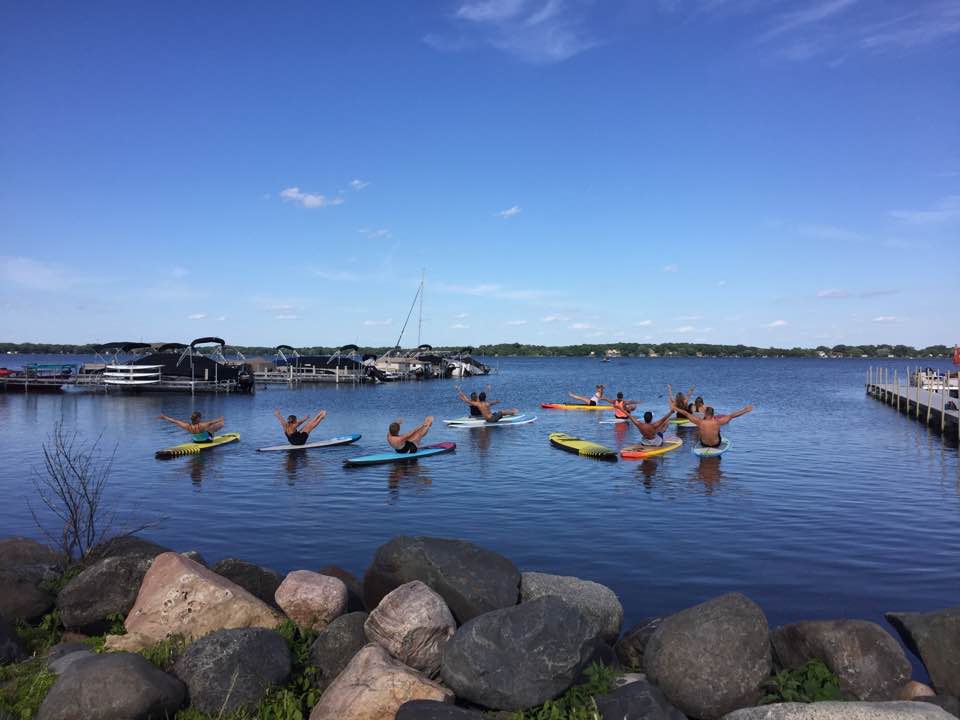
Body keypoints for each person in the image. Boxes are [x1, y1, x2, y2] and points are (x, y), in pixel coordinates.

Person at [671, 400, 753, 448]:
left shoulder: (700, 422)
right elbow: (732, 415)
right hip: (716, 444)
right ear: (713, 414)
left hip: (704, 444)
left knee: (699, 433)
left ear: (705, 414)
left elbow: (686, 413)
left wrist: (675, 408)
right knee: (718, 432)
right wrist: (745, 410)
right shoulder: (718, 422)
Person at [157, 411, 224, 443]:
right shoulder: (202, 425)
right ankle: (221, 425)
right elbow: (212, 422)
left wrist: (164, 417)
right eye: (200, 417)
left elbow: (175, 421)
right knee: (212, 428)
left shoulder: (187, 426)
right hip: (207, 441)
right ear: (198, 418)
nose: (201, 418)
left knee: (209, 428)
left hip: (196, 441)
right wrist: (221, 420)